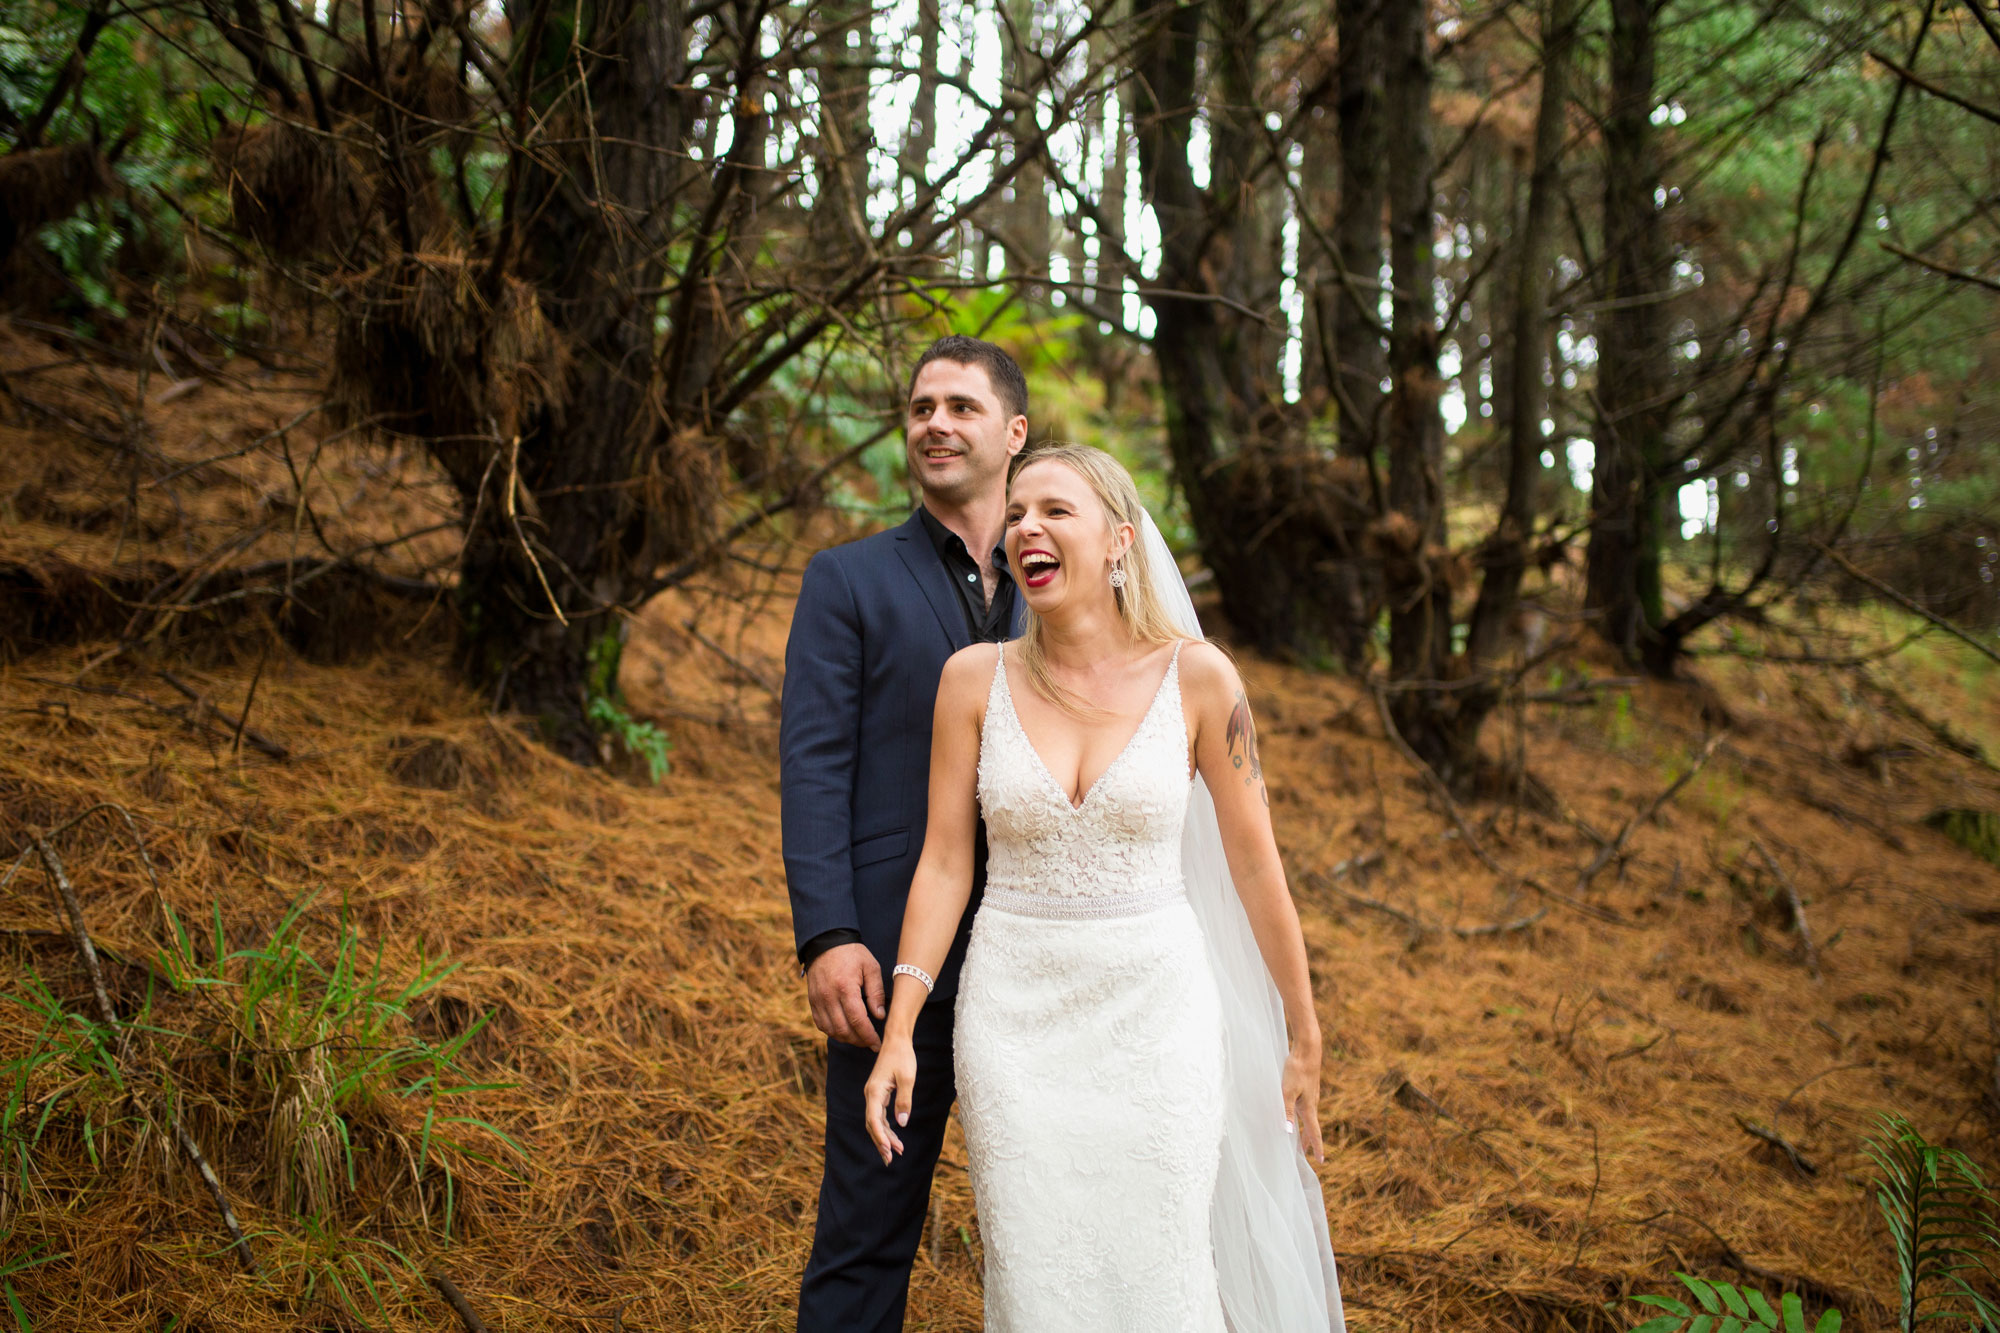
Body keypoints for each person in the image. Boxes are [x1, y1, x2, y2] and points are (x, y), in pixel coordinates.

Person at [863, 443, 1346, 1331]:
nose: (1025, 528)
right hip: (1013, 1022)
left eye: (1054, 510)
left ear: (1121, 540)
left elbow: (1255, 865)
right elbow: (944, 862)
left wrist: (1304, 1033)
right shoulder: (974, 680)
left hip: (1158, 1021)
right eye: (1015, 514)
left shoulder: (1199, 677)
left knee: (1161, 1271)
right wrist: (900, 1028)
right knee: (1038, 1279)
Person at [780, 335, 1029, 1332]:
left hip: (1039, 953)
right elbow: (813, 765)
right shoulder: (846, 580)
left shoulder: (1061, 577)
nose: (935, 421)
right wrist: (827, 933)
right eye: (922, 405)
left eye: (961, 406)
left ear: (1012, 432)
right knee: (867, 1221)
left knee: (1047, 1220)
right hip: (891, 959)